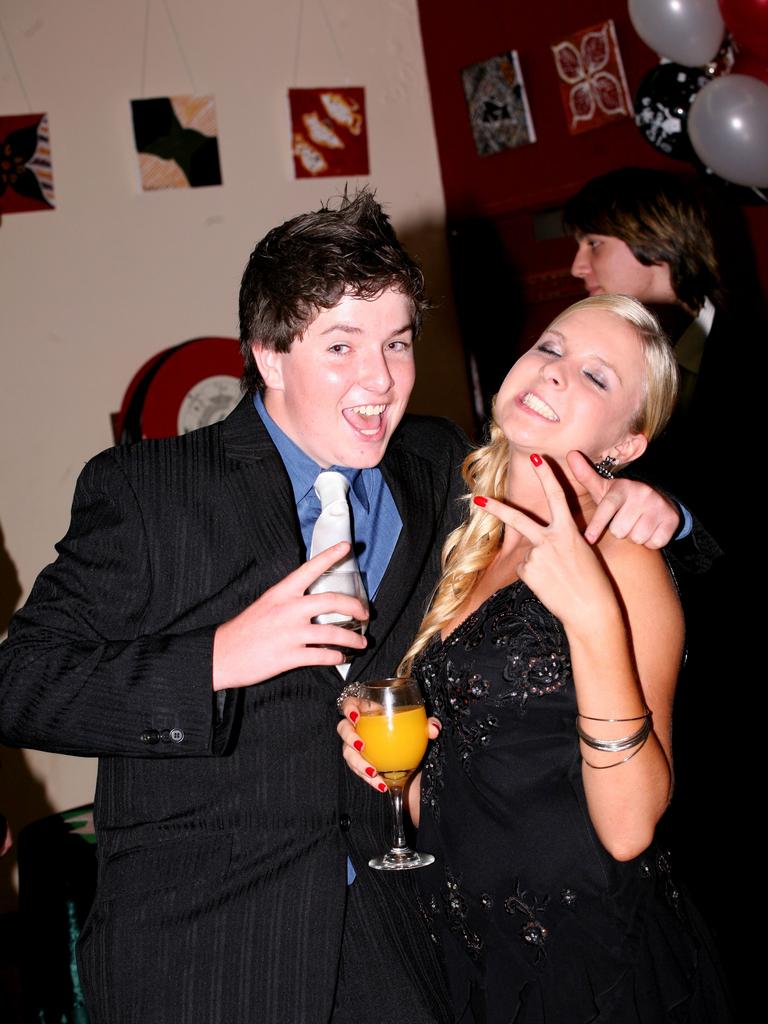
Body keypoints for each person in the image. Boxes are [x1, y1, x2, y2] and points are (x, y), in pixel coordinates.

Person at [0, 193, 682, 1024]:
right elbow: (22, 681)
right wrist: (217, 658)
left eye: (396, 343)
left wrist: (669, 511)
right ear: (270, 355)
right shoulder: (149, 490)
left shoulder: (431, 464)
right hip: (204, 959)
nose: (381, 379)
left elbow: (559, 491)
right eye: (342, 346)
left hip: (406, 945)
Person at [340, 294, 732, 1022]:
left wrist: (592, 619)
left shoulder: (620, 557)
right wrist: (393, 765)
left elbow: (628, 828)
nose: (554, 375)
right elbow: (466, 788)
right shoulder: (467, 540)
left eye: (596, 377)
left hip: (584, 963)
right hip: (466, 955)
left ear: (627, 444)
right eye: (551, 349)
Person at [563, 166, 733, 548]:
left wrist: (680, 518)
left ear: (655, 238)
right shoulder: (610, 357)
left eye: (594, 243)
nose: (578, 266)